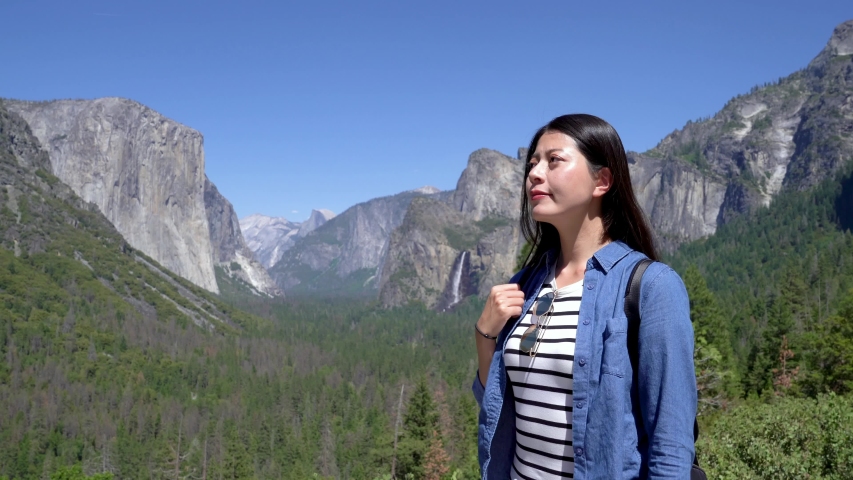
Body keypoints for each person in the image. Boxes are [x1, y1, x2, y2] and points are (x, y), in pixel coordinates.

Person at [472, 114, 697, 479]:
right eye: (532, 164)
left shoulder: (653, 288)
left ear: (602, 180)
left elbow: (670, 446)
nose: (534, 173)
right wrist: (484, 335)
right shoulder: (525, 284)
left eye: (553, 160)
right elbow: (498, 405)